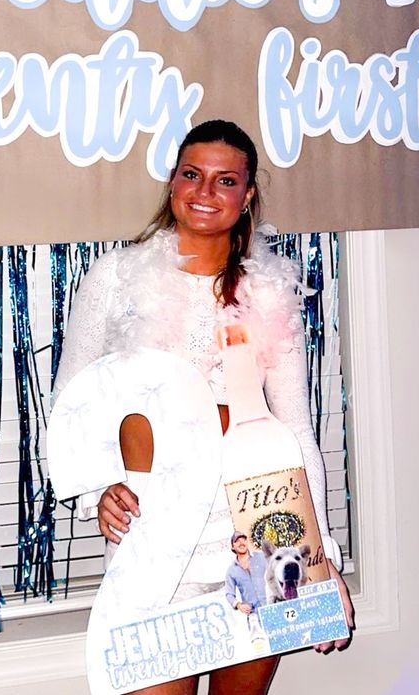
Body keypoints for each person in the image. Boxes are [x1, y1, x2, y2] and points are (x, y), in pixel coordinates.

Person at [54, 119, 355, 695]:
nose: (205, 192)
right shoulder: (113, 278)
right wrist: (99, 492)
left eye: (225, 181)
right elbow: (72, 407)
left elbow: (295, 430)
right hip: (157, 537)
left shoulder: (268, 292)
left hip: (255, 539)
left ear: (246, 197)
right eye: (192, 175)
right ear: (172, 184)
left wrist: (319, 565)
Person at [225, 532, 268, 614]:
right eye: (237, 541)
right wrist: (238, 605)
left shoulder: (262, 557)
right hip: (254, 613)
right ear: (232, 547)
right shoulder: (231, 570)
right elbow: (229, 594)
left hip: (272, 605)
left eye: (243, 540)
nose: (241, 543)